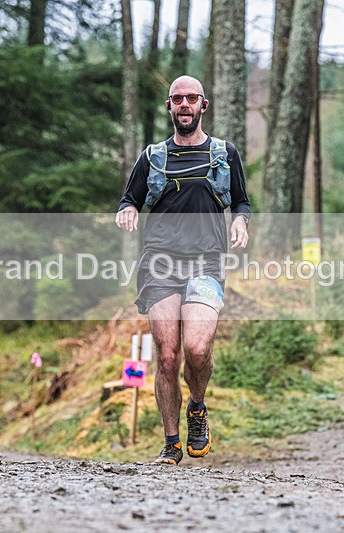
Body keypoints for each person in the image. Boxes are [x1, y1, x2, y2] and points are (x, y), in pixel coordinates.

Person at [115, 75, 251, 465]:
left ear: (203, 105)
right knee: (168, 355)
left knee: (197, 348)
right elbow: (129, 198)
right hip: (159, 263)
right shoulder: (153, 156)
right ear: (169, 107)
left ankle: (197, 405)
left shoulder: (224, 153)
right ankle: (171, 443)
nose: (185, 105)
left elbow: (241, 201)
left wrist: (240, 222)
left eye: (192, 98)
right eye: (178, 99)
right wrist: (127, 210)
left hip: (206, 262)